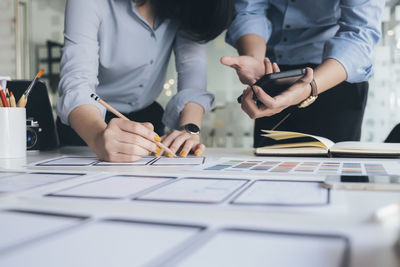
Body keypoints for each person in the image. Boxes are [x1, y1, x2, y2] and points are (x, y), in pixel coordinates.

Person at [56, 0, 233, 162]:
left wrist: (189, 130)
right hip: (87, 122)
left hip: (148, 121)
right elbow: (77, 80)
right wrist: (97, 137)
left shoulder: (183, 8)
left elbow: (193, 72)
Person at [221, 0, 384, 147]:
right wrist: (254, 58)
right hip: (272, 73)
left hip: (334, 72)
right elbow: (250, 9)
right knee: (269, 168)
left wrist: (310, 88)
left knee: (335, 170)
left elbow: (360, 32)